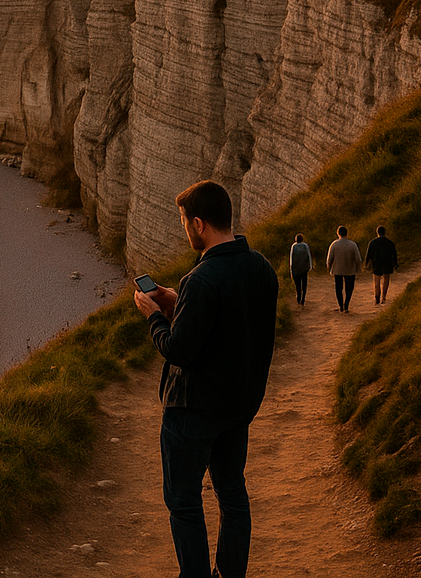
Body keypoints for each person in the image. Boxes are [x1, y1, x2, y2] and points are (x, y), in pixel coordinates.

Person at [134, 180, 279, 578]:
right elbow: (232, 322)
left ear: (198, 224)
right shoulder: (261, 268)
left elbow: (179, 350)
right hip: (238, 406)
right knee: (232, 495)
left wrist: (154, 316)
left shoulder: (201, 279)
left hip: (194, 409)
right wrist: (177, 301)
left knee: (183, 501)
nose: (185, 230)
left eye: (184, 222)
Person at [327, 225, 361, 312]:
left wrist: (329, 268)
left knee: (338, 288)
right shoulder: (353, 245)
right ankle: (346, 304)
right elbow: (358, 259)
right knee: (349, 288)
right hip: (350, 270)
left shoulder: (334, 244)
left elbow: (329, 259)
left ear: (338, 233)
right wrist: (358, 269)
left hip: (337, 270)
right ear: (347, 233)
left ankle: (341, 306)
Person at [365, 225, 398, 304]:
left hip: (376, 263)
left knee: (377, 281)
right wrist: (395, 264)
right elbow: (394, 254)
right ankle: (383, 297)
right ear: (384, 232)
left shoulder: (372, 243)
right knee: (386, 280)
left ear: (377, 232)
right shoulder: (390, 242)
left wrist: (366, 263)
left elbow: (368, 254)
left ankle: (377, 297)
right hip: (387, 262)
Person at [289, 233, 312, 306]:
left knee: (297, 284)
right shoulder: (305, 246)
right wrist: (310, 266)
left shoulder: (293, 246)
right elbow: (309, 256)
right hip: (304, 268)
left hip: (296, 268)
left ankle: (298, 297)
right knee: (304, 284)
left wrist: (291, 269)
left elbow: (291, 258)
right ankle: (303, 299)